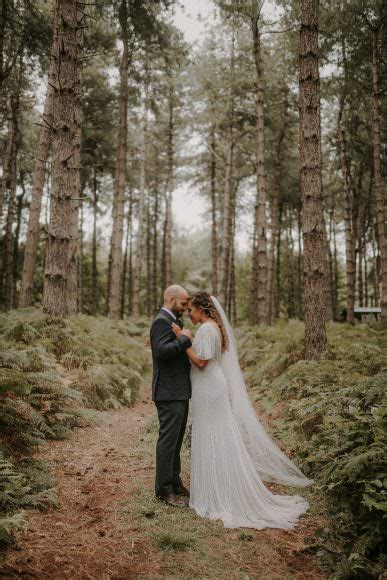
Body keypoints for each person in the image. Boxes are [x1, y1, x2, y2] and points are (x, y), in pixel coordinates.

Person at [172, 291, 313, 531]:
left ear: (202, 309)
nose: (189, 314)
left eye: (192, 310)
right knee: (217, 433)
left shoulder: (206, 329)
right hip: (212, 386)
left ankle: (216, 492)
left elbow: (201, 362)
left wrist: (183, 339)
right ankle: (219, 485)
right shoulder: (215, 327)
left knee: (211, 434)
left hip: (208, 388)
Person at [150, 284, 193, 507]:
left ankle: (175, 482)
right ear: (171, 299)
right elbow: (162, 351)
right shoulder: (161, 321)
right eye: (184, 303)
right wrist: (184, 339)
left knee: (176, 441)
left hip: (179, 390)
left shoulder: (173, 321)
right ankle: (164, 490)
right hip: (167, 392)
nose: (186, 307)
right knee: (168, 441)